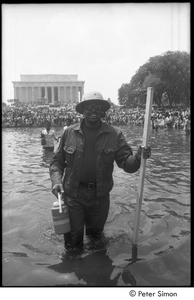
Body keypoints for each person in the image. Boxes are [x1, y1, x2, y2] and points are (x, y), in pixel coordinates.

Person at [49, 91, 151, 251]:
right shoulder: (69, 132)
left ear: (103, 111)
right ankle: (73, 270)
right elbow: (57, 163)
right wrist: (56, 182)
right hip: (74, 195)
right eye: (89, 107)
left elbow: (127, 164)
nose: (94, 111)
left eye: (98, 107)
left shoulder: (114, 134)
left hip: (100, 196)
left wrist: (139, 157)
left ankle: (95, 271)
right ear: (82, 110)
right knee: (73, 243)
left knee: (96, 240)